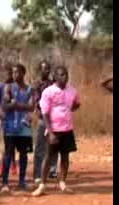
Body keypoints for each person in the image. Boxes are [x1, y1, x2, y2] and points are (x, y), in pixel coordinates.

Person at [32, 66, 80, 197]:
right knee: (48, 157)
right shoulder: (48, 91)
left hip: (67, 129)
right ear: (55, 76)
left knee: (65, 156)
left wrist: (69, 110)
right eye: (61, 75)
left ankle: (63, 183)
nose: (64, 77)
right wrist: (51, 132)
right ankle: (42, 185)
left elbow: (76, 103)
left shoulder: (72, 90)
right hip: (54, 130)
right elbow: (45, 113)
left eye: (66, 74)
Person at [0, 64, 35, 192]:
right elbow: (5, 106)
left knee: (24, 154)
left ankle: (22, 181)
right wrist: (16, 105)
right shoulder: (8, 87)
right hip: (9, 126)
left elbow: (31, 107)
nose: (15, 75)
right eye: (13, 72)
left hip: (24, 127)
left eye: (18, 72)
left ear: (23, 73)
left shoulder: (30, 89)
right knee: (8, 154)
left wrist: (15, 104)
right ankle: (4, 182)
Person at [33, 60, 58, 186]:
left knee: (53, 145)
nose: (47, 71)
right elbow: (37, 102)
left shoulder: (53, 83)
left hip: (54, 118)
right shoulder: (37, 84)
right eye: (44, 69)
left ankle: (52, 170)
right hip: (43, 118)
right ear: (40, 70)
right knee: (40, 148)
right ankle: (37, 173)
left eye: (48, 68)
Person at [0, 64, 17, 178]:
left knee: (13, 144)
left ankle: (13, 164)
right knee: (6, 145)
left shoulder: (16, 86)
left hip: (16, 119)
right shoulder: (0, 87)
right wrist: (0, 115)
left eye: (9, 73)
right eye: (4, 73)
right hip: (5, 120)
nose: (7, 75)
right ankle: (4, 167)